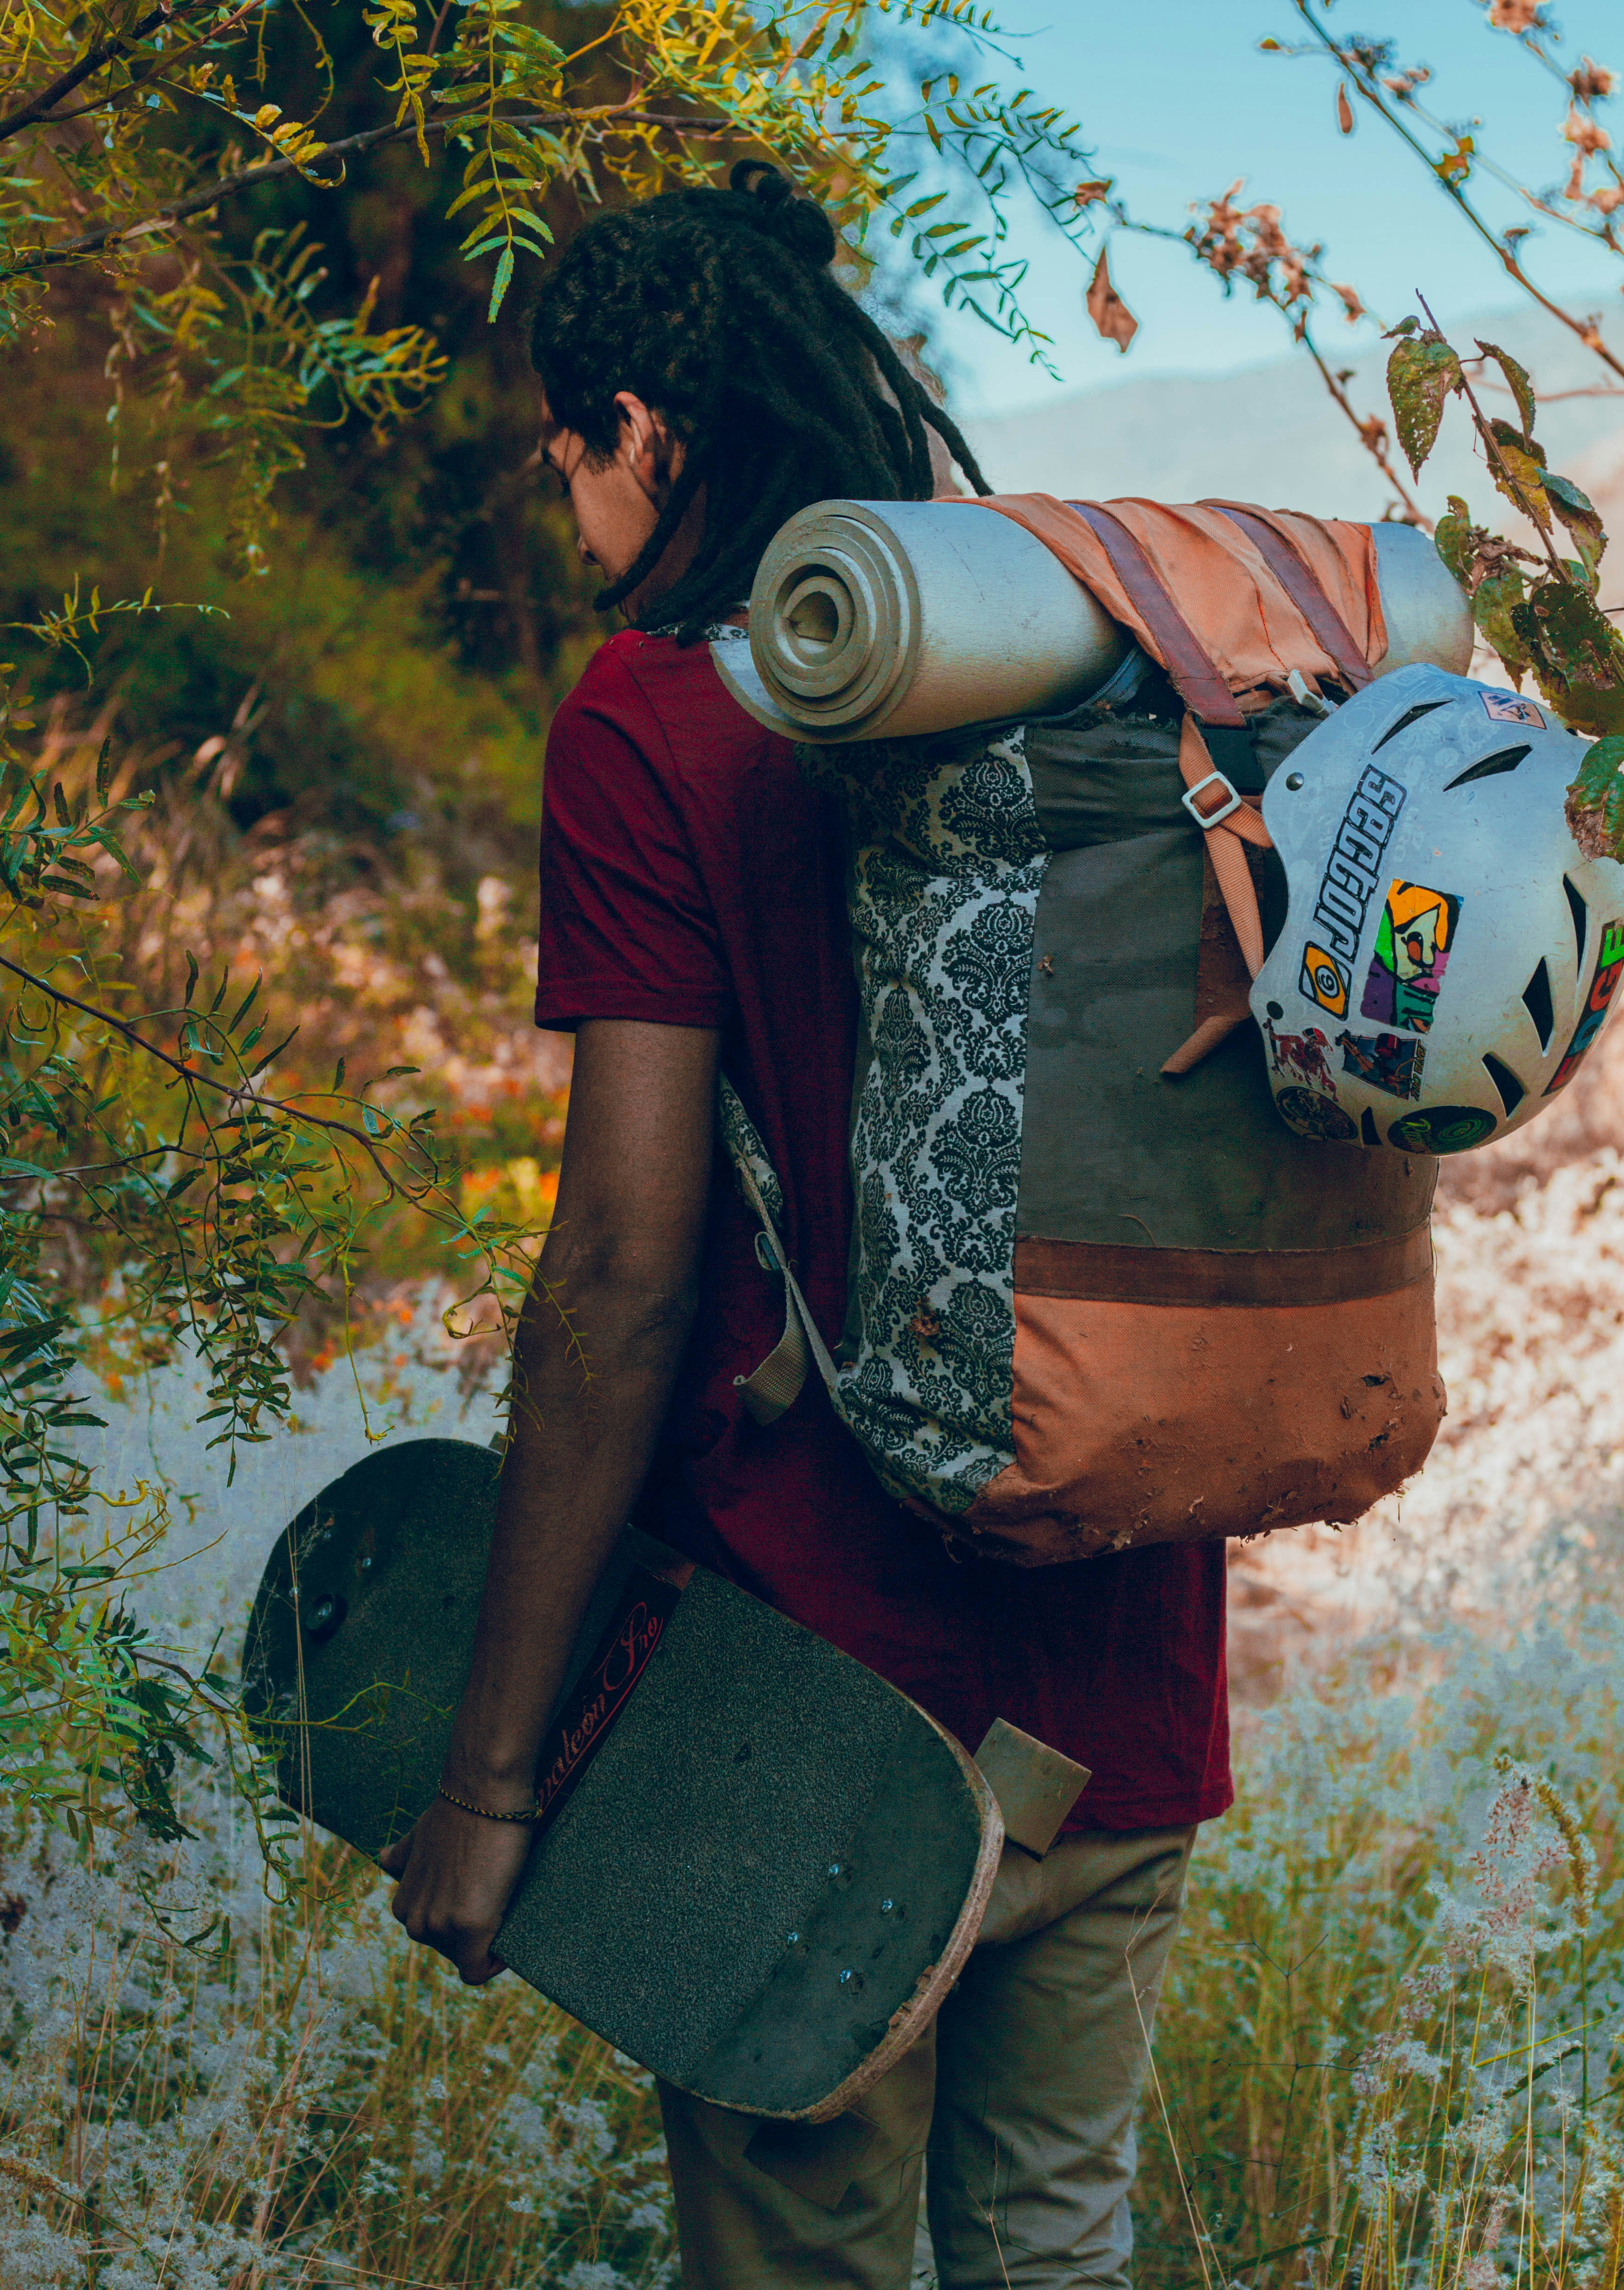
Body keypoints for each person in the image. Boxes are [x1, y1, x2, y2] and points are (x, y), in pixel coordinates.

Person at [381, 163, 1231, 2290]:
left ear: (648, 430)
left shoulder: (652, 720)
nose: (562, 492)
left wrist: (495, 1777)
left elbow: (620, 1278)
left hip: (813, 1719)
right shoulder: (1069, 671)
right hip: (1123, 1667)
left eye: (567, 440)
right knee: (1059, 2251)